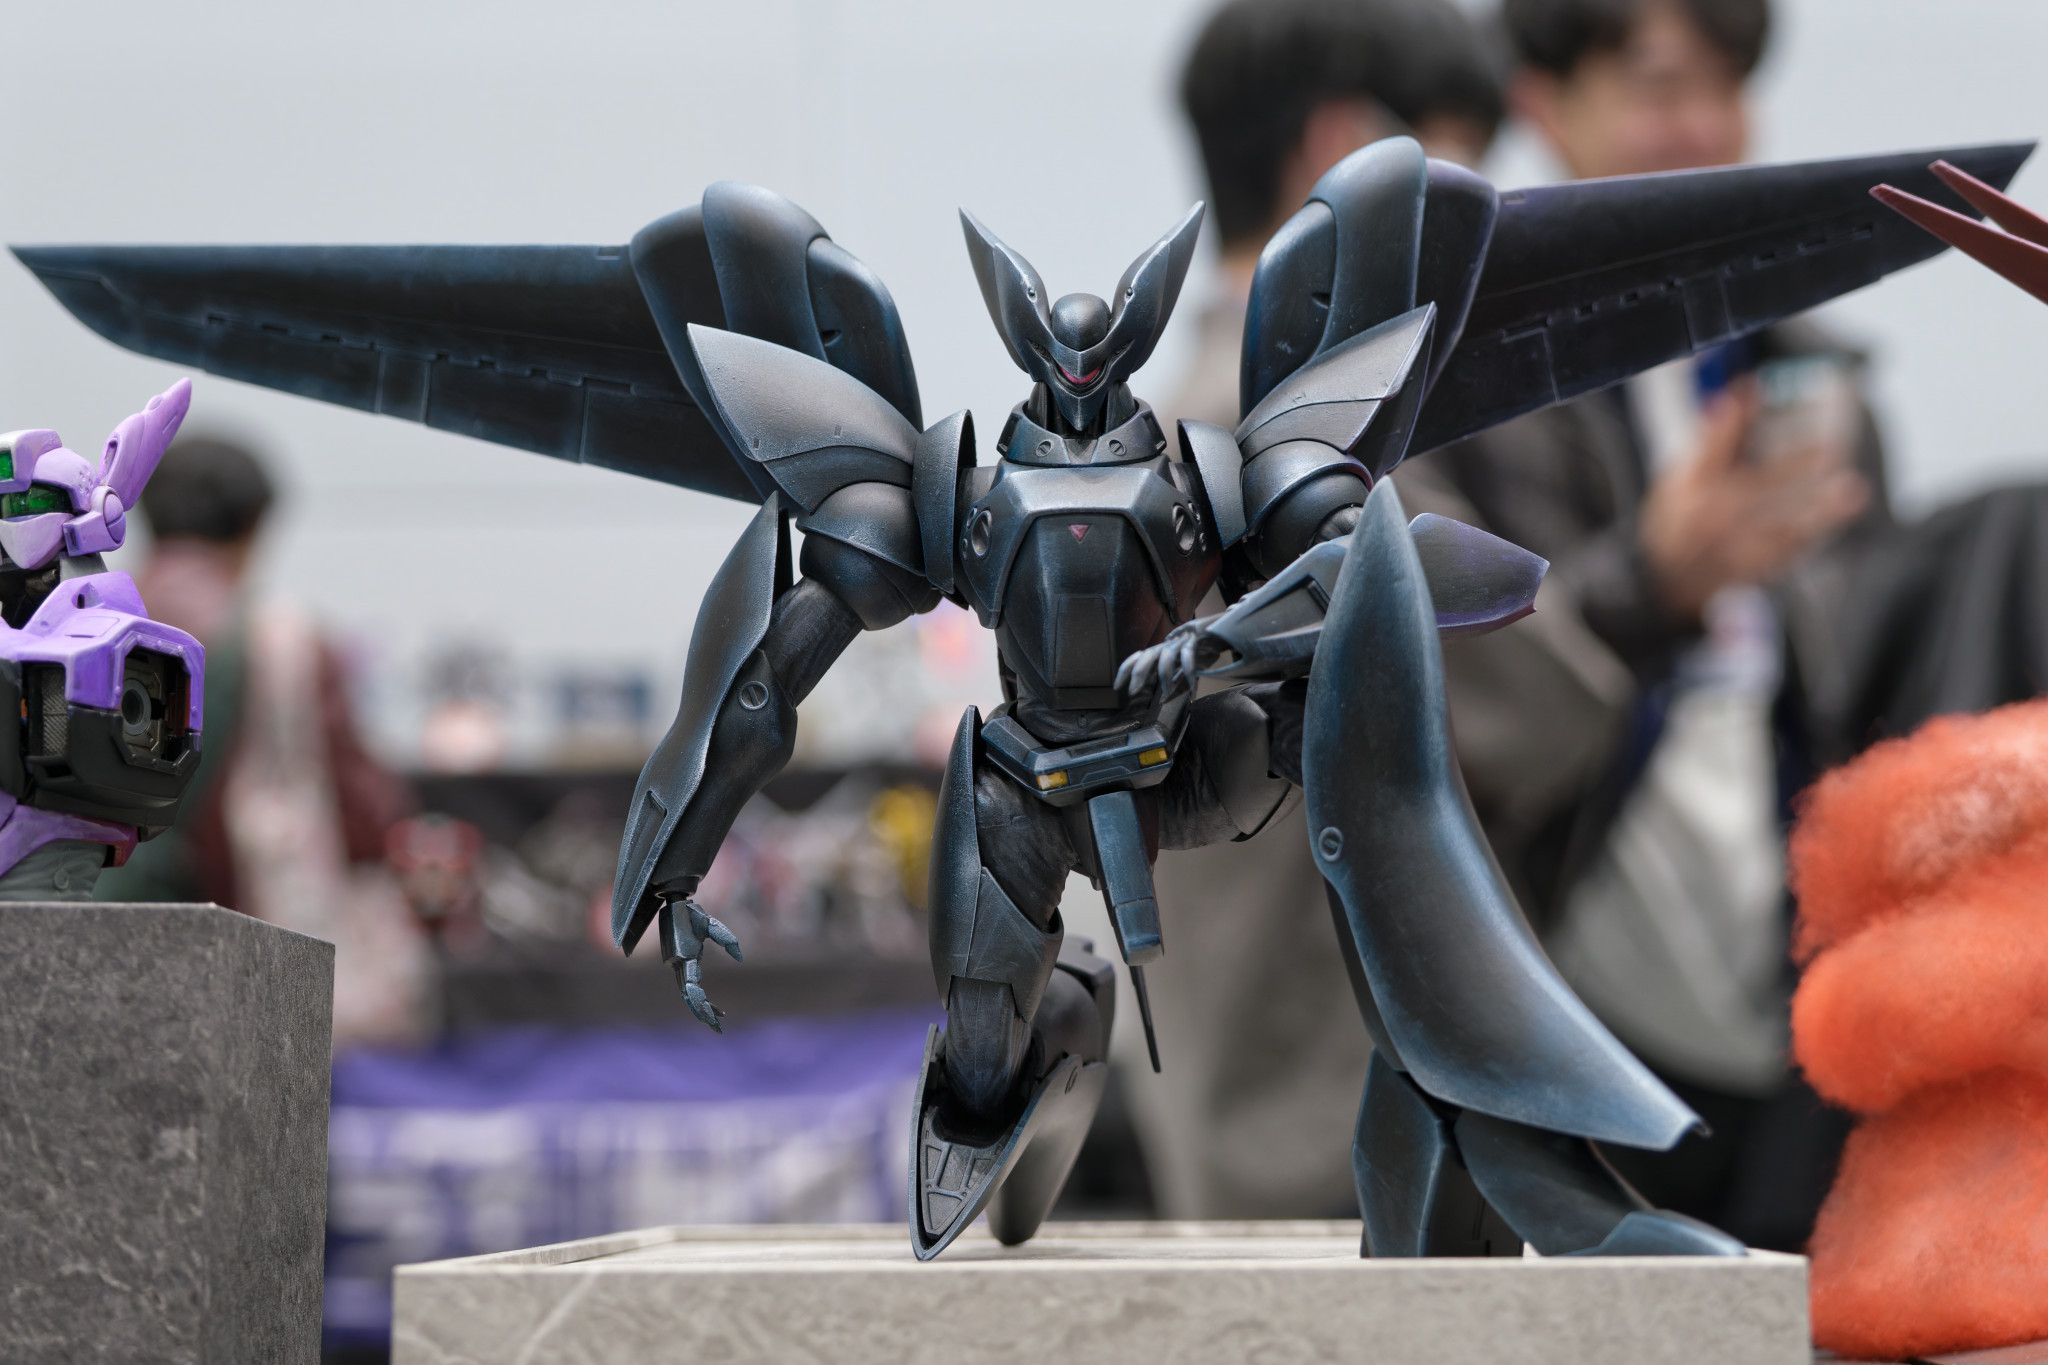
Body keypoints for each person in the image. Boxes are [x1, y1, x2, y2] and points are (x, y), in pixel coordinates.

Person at [1382, 0, 1887, 1248]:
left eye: (1725, 86)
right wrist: (1651, 586)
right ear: (1543, 103)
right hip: (1558, 1000)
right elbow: (1442, 689)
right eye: (1658, 86)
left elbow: (1878, 669)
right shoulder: (1462, 374)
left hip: (1798, 1011)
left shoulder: (1814, 375)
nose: (1701, 127)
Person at [1131, 0, 1506, 1221]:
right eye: (1457, 177)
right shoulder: (1309, 446)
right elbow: (1532, 705)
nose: (1481, 225)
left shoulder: (1149, 435)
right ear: (1344, 150)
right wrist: (1664, 575)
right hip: (1343, 1129)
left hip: (1220, 1099)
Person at [98, 436, 429, 1047]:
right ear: (253, 528)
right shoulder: (285, 645)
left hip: (83, 936)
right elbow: (362, 815)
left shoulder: (75, 623)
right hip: (230, 944)